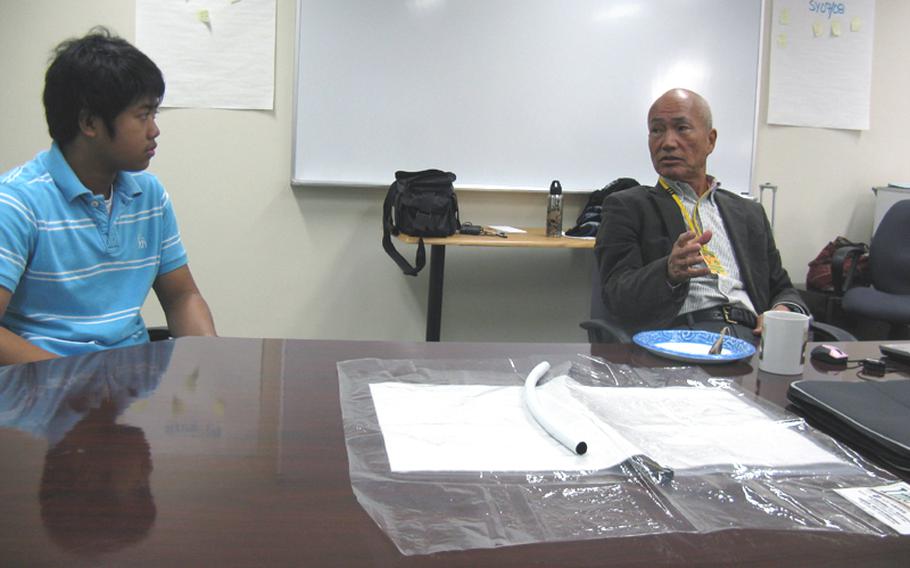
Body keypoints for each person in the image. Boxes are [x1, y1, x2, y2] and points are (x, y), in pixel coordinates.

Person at [0, 28, 216, 365]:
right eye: (143, 115)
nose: (154, 130)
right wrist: (72, 380)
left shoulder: (150, 196)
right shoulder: (16, 203)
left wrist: (211, 360)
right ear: (89, 122)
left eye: (154, 115)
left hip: (129, 391)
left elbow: (181, 297)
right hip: (42, 393)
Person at [594, 88, 806, 342]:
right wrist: (668, 271)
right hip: (679, 335)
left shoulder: (749, 213)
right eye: (657, 130)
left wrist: (781, 312)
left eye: (681, 128)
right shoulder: (628, 206)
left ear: (711, 140)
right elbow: (616, 296)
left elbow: (782, 288)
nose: (668, 142)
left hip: (753, 337)